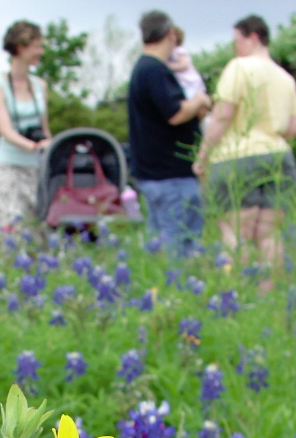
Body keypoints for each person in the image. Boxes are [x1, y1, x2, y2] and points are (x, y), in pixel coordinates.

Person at [193, 15, 296, 292]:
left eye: (236, 41)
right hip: (279, 156)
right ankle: (267, 302)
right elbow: (294, 127)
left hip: (236, 157)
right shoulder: (285, 78)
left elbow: (222, 116)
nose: (235, 48)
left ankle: (236, 302)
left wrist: (202, 156)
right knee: (269, 235)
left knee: (235, 234)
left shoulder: (239, 68)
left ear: (253, 37)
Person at [128, 10, 212, 257]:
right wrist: (200, 100)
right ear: (171, 34)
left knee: (161, 245)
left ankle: (163, 293)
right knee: (179, 246)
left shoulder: (144, 68)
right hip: (170, 175)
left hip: (155, 174)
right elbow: (174, 112)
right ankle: (176, 291)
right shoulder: (154, 69)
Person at [0, 20, 52, 234]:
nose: (40, 52)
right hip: (9, 164)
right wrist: (31, 146)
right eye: (37, 46)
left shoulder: (40, 85)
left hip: (37, 166)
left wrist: (49, 145)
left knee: (38, 227)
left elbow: (45, 127)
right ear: (21, 47)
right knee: (9, 226)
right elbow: (5, 131)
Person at [168, 27, 207, 101]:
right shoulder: (170, 52)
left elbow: (184, 65)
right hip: (183, 83)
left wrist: (169, 66)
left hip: (190, 82)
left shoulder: (179, 50)